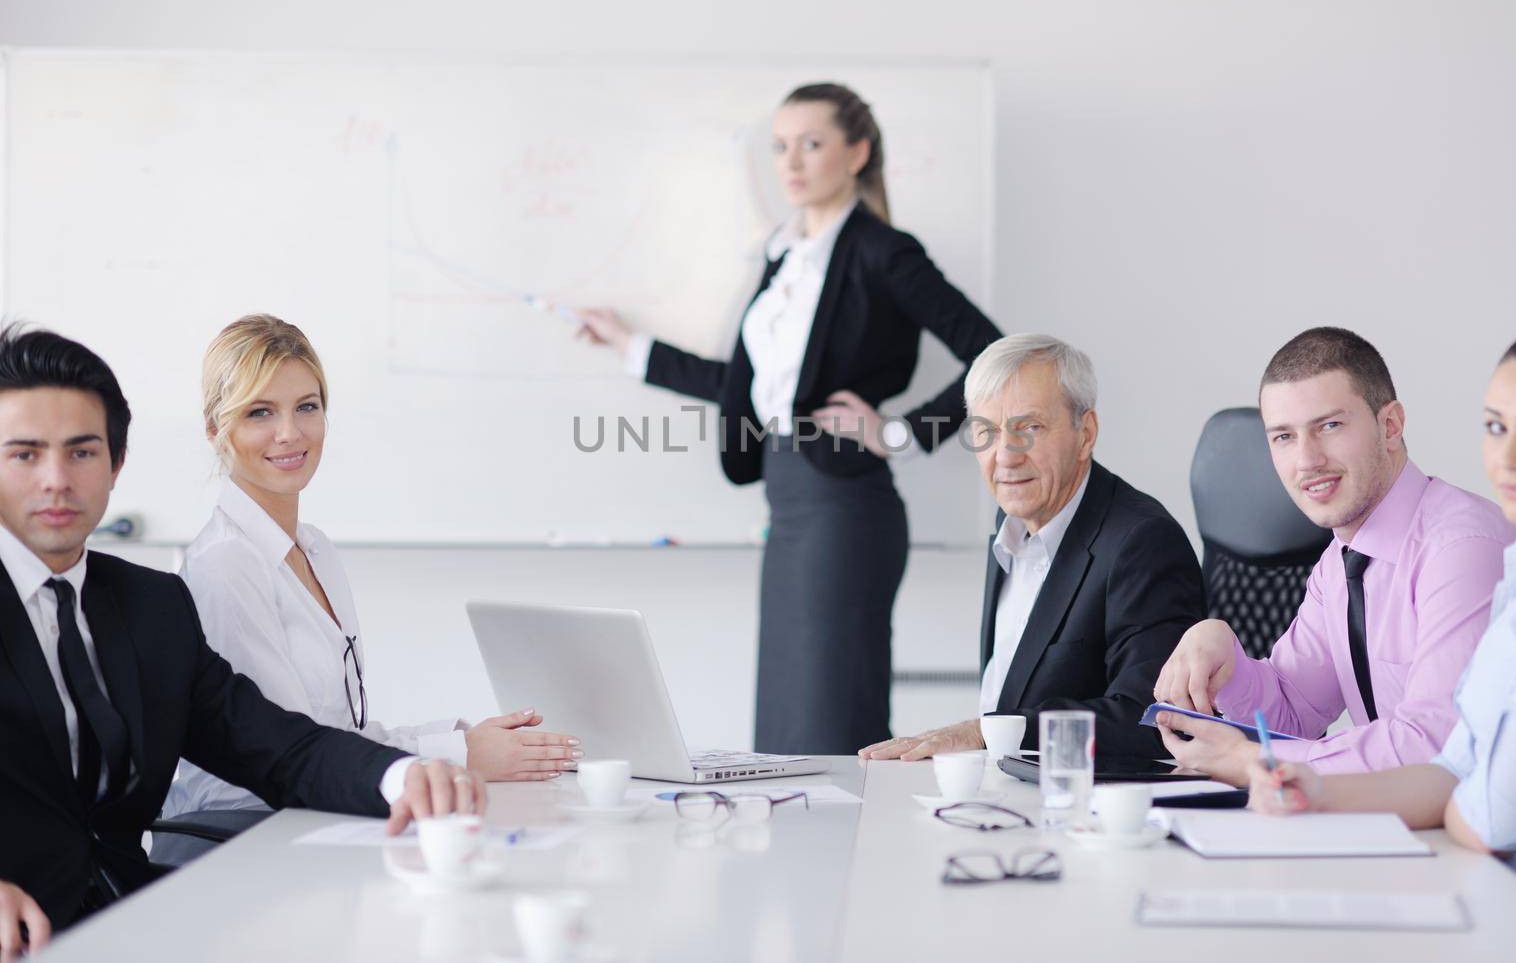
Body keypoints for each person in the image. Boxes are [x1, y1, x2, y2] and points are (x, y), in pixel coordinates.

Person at [0, 325, 481, 953]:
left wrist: (404, 775)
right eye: (25, 454)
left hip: (129, 917)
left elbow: (277, 747)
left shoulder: (151, 606)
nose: (57, 479)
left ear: (116, 464)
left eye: (82, 452)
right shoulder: (222, 564)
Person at [575, 83, 1000, 755]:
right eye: (779, 146)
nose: (791, 162)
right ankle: (799, 859)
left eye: (811, 143)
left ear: (857, 152)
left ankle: (846, 859)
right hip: (787, 502)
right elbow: (743, 389)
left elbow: (993, 351)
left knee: (828, 728)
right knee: (785, 727)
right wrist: (633, 347)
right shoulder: (782, 261)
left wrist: (900, 434)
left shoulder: (883, 252)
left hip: (845, 509)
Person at [160, 315, 579, 838]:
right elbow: (292, 754)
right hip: (244, 836)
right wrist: (456, 756)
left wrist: (462, 742)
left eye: (306, 407)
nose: (290, 432)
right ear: (214, 429)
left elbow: (340, 736)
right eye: (260, 412)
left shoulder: (315, 549)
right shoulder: (226, 565)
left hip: (316, 818)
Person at [1248, 322, 1516, 914]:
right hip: (1496, 884)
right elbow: (1458, 766)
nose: (1507, 456)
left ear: (1391, 426)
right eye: (1495, 427)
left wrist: (1451, 796)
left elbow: (1490, 819)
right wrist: (1320, 789)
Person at [1153, 327, 1516, 785]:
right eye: (1284, 437)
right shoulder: (1340, 562)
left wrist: (1262, 765)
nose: (1307, 460)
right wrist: (1223, 652)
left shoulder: (1461, 548)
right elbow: (1291, 711)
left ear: (1390, 426)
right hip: (1401, 825)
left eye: (1329, 426)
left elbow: (1435, 746)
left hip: (1493, 844)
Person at [859, 334, 1204, 760]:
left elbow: (1153, 721)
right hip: (1006, 796)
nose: (1005, 455)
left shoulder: (1142, 543)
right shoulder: (1012, 522)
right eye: (985, 431)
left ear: (1085, 434)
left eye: (1030, 428)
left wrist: (987, 733)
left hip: (1081, 811)